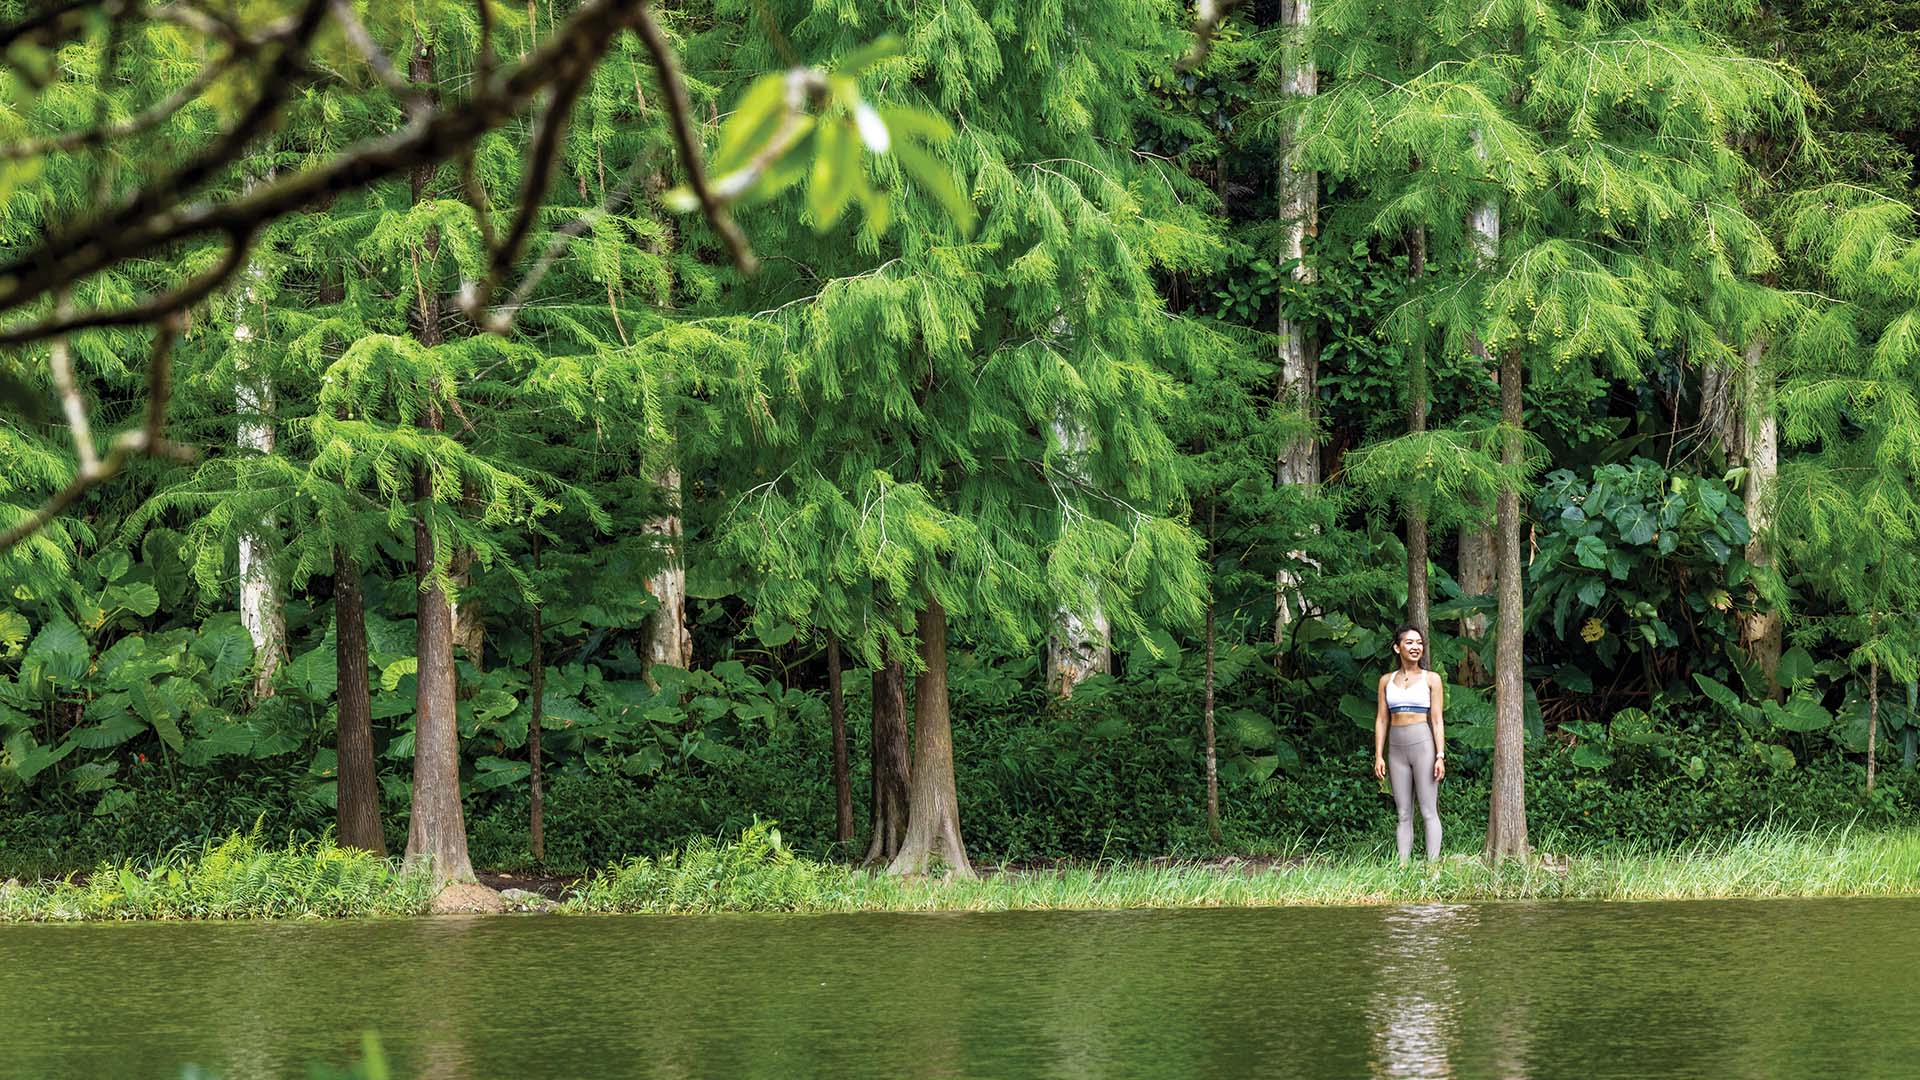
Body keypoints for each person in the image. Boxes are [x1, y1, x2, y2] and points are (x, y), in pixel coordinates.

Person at [1373, 625, 1445, 862]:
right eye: (1409, 643)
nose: (1416, 647)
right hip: (1396, 750)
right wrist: (1378, 755)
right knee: (1403, 812)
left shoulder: (1431, 679)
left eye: (1419, 643)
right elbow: (1382, 719)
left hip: (1423, 746)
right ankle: (1403, 868)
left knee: (1428, 810)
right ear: (1397, 647)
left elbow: (1436, 720)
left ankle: (1433, 868)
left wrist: (1440, 755)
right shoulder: (1386, 680)